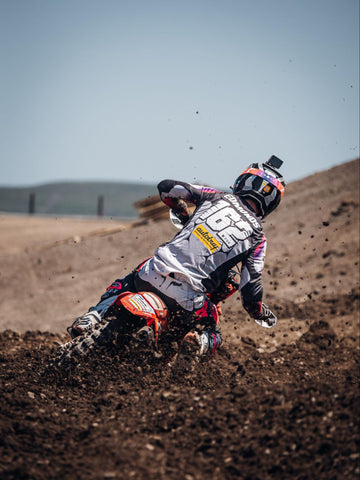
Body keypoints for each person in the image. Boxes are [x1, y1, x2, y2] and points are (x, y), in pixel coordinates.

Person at [68, 155, 286, 360]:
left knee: (129, 279)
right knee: (213, 332)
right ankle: (198, 343)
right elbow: (250, 287)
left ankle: (94, 316)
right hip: (187, 299)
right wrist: (258, 310)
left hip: (151, 275)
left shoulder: (215, 196)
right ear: (272, 204)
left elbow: (167, 188)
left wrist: (181, 209)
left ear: (242, 181)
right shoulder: (258, 237)